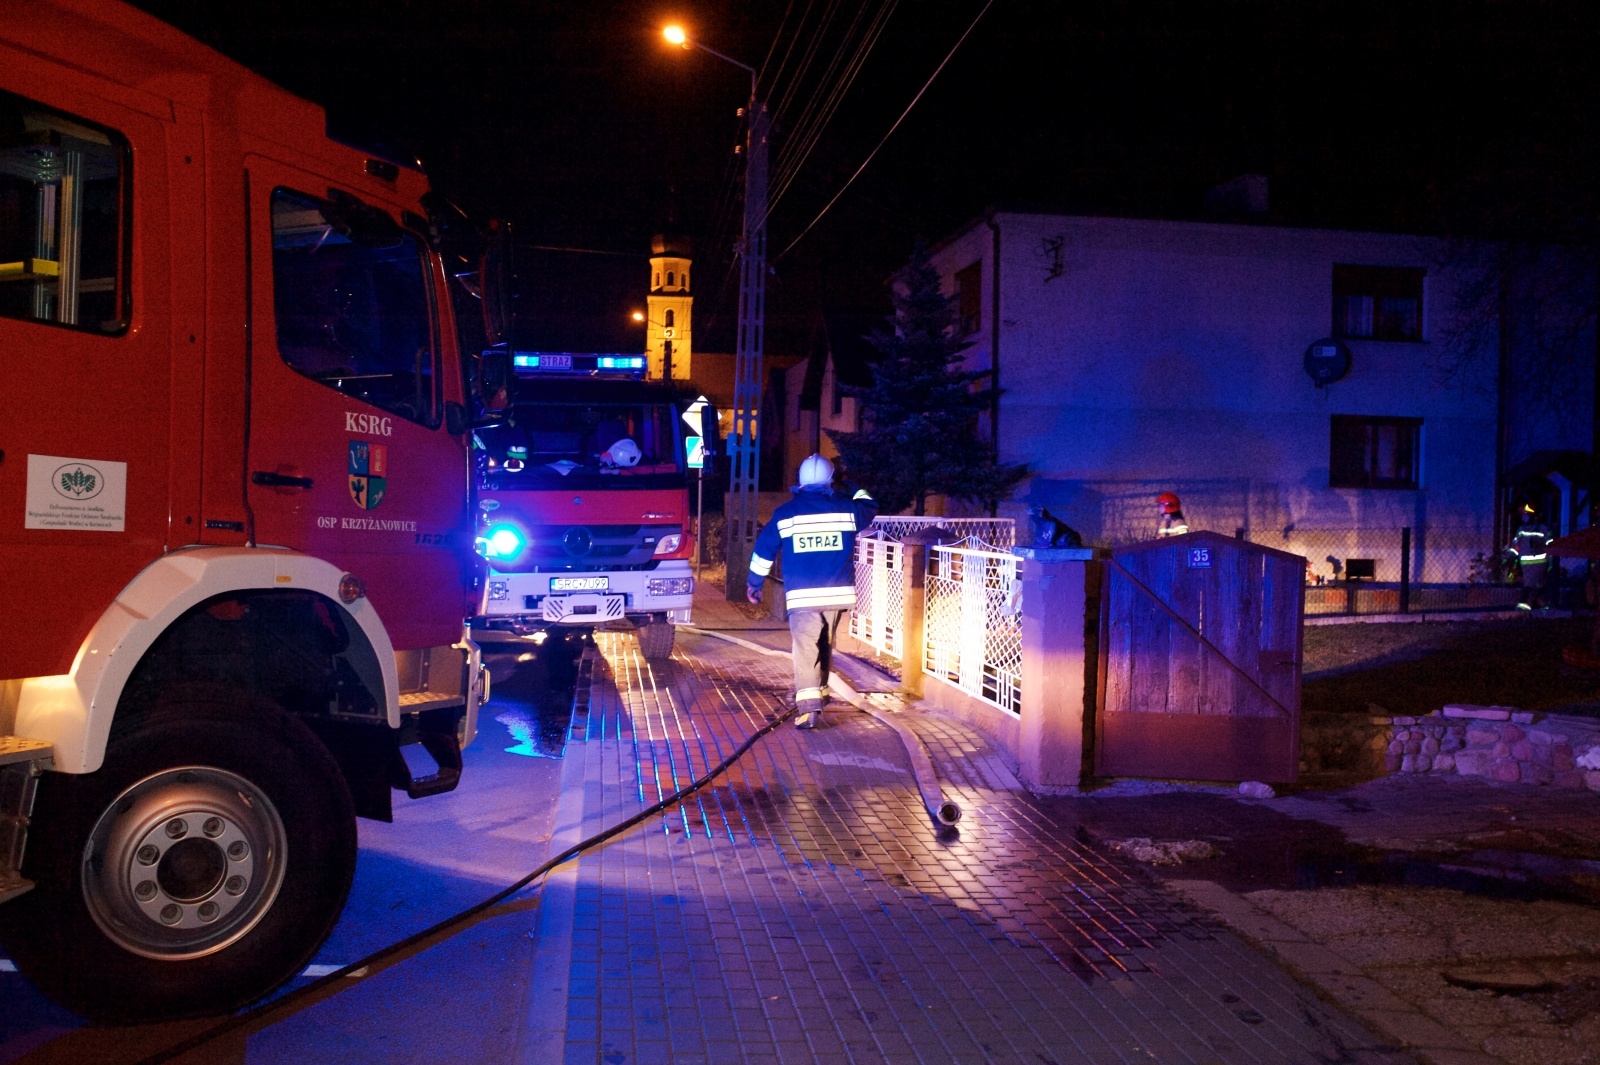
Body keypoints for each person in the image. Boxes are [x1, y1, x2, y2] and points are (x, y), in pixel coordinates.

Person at [747, 454, 878, 729]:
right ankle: (821, 695)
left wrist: (754, 584)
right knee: (824, 646)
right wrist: (849, 484)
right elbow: (869, 505)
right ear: (830, 481)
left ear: (800, 483)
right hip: (836, 596)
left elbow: (763, 550)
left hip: (802, 597)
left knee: (806, 650)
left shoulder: (786, 513)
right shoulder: (846, 509)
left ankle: (808, 710)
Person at [1507, 502, 1553, 610]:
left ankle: (1523, 606)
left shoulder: (1543, 529)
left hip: (1539, 564)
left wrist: (1550, 563)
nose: (1524, 517)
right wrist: (1509, 557)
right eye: (1523, 514)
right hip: (1525, 565)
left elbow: (1551, 546)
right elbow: (1516, 545)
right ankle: (1545, 607)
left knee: (1531, 585)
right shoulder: (1521, 529)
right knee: (1536, 585)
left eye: (1526, 514)